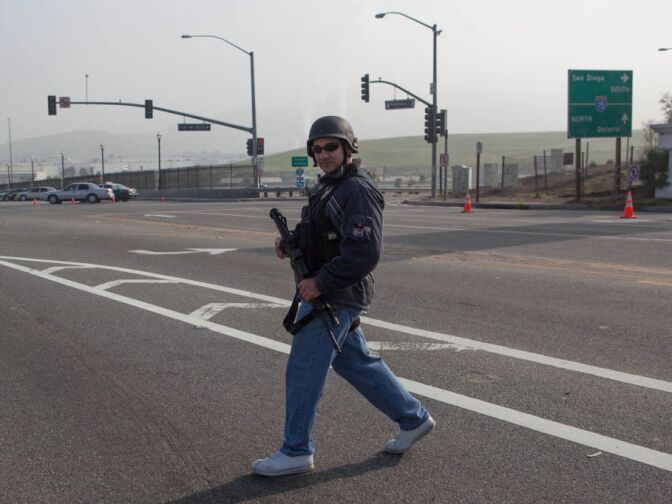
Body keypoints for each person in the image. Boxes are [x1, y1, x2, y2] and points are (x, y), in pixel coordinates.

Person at [252, 116, 435, 477]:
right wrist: (290, 244)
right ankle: (413, 419)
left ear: (349, 148)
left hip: (334, 296)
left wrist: (322, 283)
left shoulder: (356, 190)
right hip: (334, 292)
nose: (323, 154)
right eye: (317, 149)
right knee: (354, 361)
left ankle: (296, 450)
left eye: (331, 146)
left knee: (304, 368)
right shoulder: (329, 187)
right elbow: (324, 235)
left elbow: (364, 252)